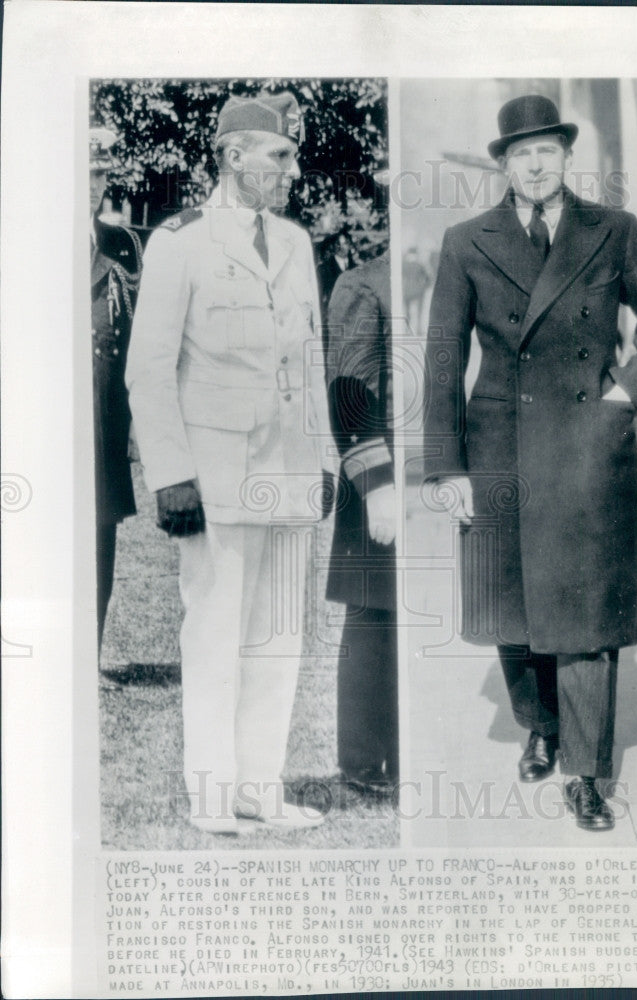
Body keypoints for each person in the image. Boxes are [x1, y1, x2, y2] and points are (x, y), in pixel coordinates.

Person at [424, 94, 637, 831]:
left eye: (547, 150)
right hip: (498, 447)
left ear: (566, 156)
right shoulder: (465, 241)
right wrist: (446, 469)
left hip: (585, 450)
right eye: (521, 153)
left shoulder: (614, 230)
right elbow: (445, 360)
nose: (535, 164)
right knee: (510, 608)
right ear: (502, 163)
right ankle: (538, 723)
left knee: (586, 619)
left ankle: (585, 775)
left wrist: (620, 402)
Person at [126, 92, 335, 833]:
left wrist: (326, 459)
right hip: (212, 474)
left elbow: (310, 361)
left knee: (278, 638)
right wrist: (170, 475)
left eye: (291, 156)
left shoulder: (295, 244)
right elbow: (148, 369)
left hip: (287, 467)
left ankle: (260, 788)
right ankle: (212, 794)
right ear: (233, 156)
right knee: (214, 633)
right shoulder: (179, 242)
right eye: (278, 156)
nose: (290, 169)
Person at [325, 248, 398, 794]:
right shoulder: (364, 285)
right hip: (379, 473)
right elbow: (348, 391)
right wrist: (375, 486)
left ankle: (401, 753)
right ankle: (361, 761)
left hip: (429, 474)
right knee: (373, 610)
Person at [89, 128, 142, 655]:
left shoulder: (121, 243)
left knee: (102, 538)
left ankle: (93, 654)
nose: (93, 184)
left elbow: (136, 341)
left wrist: (137, 424)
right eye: (84, 173)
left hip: (105, 422)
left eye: (101, 174)